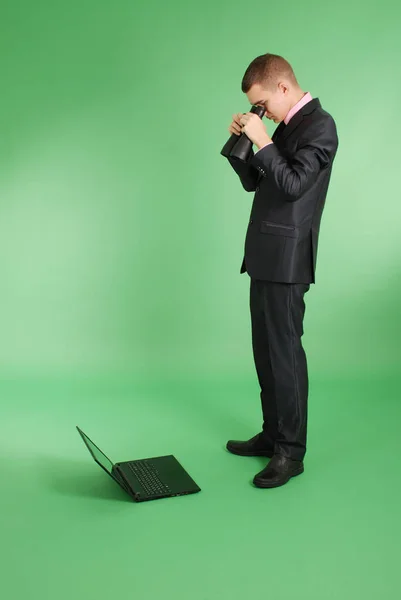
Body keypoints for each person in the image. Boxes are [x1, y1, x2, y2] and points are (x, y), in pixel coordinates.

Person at [223, 53, 339, 488]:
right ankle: (273, 434)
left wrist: (265, 142)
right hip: (263, 255)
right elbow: (259, 181)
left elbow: (292, 187)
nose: (263, 113)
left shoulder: (320, 126)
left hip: (289, 261)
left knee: (286, 356)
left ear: (284, 89)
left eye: (264, 104)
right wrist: (244, 147)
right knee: (265, 352)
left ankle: (291, 452)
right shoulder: (287, 124)